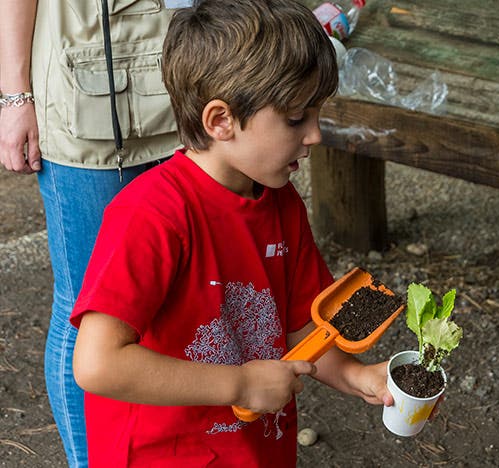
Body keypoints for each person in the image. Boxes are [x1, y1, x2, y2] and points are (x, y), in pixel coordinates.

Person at [69, 0, 394, 466]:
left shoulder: (281, 201)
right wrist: (239, 384)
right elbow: (98, 363)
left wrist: (358, 376)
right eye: (296, 118)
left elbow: (306, 326)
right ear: (221, 121)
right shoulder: (151, 214)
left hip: (253, 451)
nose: (316, 136)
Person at [0, 1, 180, 465]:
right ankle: (91, 459)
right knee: (86, 304)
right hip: (84, 93)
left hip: (189, 75)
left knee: (180, 292)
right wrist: (14, 98)